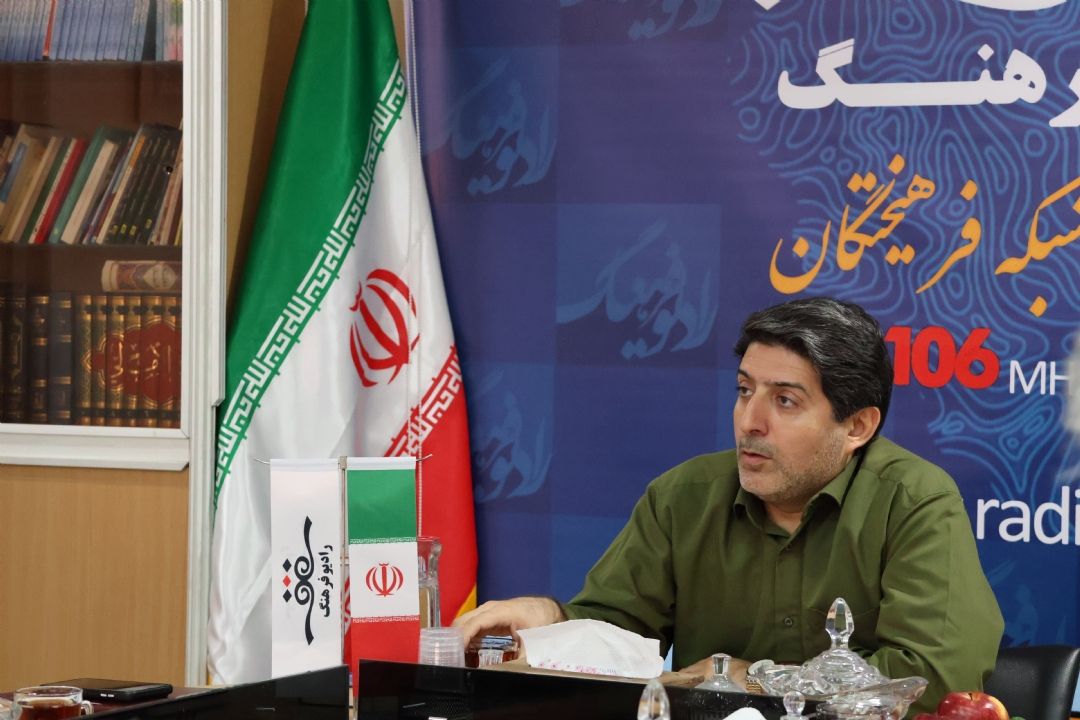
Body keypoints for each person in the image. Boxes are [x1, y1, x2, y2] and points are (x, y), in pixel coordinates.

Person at [453, 297, 1003, 714]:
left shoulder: (913, 500)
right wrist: (552, 618)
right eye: (744, 390)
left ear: (856, 426)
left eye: (784, 400)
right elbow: (620, 635)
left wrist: (755, 678)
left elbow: (934, 675)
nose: (749, 421)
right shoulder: (683, 496)